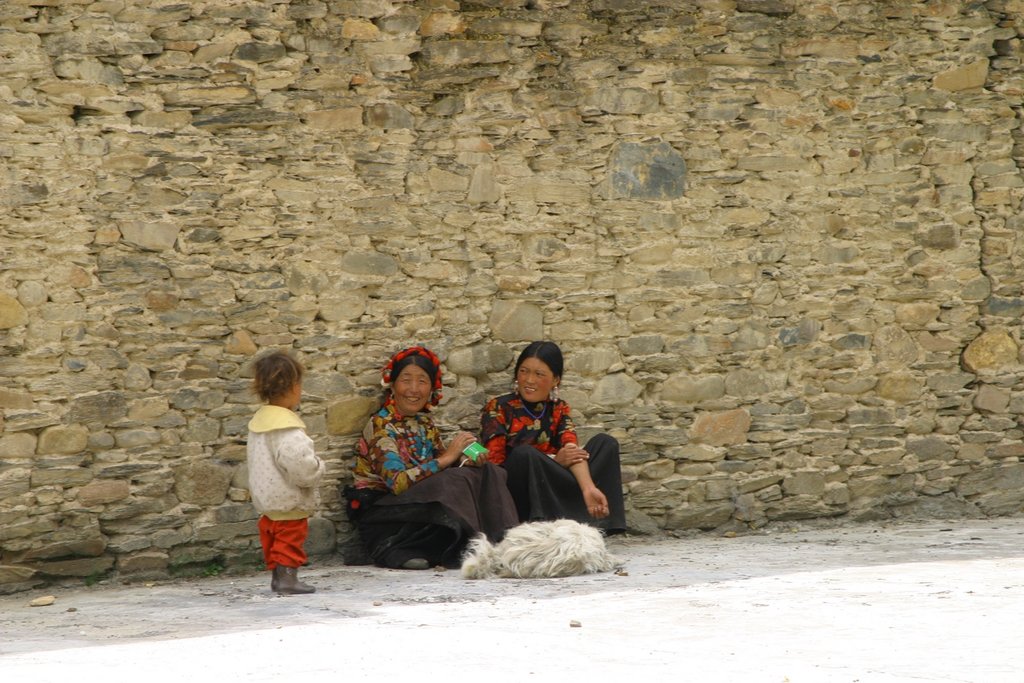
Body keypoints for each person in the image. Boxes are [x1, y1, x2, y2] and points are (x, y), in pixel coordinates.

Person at [345, 346, 519, 570]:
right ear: (393, 385)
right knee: (456, 479)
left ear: (431, 389)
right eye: (406, 380)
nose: (413, 389)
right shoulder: (381, 425)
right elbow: (397, 482)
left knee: (488, 471)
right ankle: (468, 548)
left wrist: (465, 461)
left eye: (422, 381)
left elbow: (440, 467)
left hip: (419, 506)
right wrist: (449, 457)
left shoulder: (424, 424)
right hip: (385, 515)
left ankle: (506, 542)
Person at [480, 341, 626, 533]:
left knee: (605, 443)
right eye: (524, 371)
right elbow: (494, 464)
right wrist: (555, 461)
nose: (529, 380)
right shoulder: (499, 407)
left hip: (553, 483)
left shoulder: (558, 408)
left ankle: (597, 518)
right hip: (520, 490)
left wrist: (588, 488)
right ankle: (542, 522)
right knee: (525, 454)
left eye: (539, 374)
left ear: (555, 380)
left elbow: (571, 449)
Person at [247, 350, 326, 595]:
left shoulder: (259, 425)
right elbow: (301, 467)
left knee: (273, 540)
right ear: (293, 387)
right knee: (289, 541)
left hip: (267, 500)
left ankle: (277, 578)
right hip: (288, 499)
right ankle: (287, 579)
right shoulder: (288, 430)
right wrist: (318, 467)